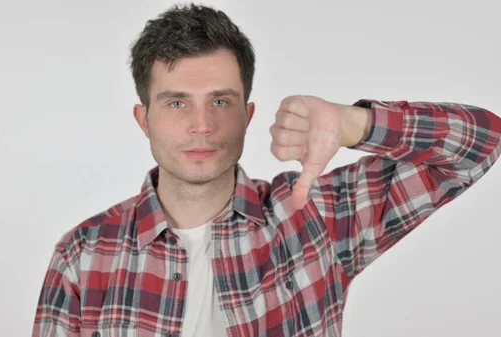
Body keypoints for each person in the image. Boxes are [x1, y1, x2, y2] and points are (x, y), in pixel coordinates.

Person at [31, 4, 501, 337]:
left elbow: (479, 143)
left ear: (248, 115)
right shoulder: (83, 255)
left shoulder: (316, 215)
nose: (202, 125)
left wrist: (353, 123)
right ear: (144, 120)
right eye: (177, 103)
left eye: (221, 100)